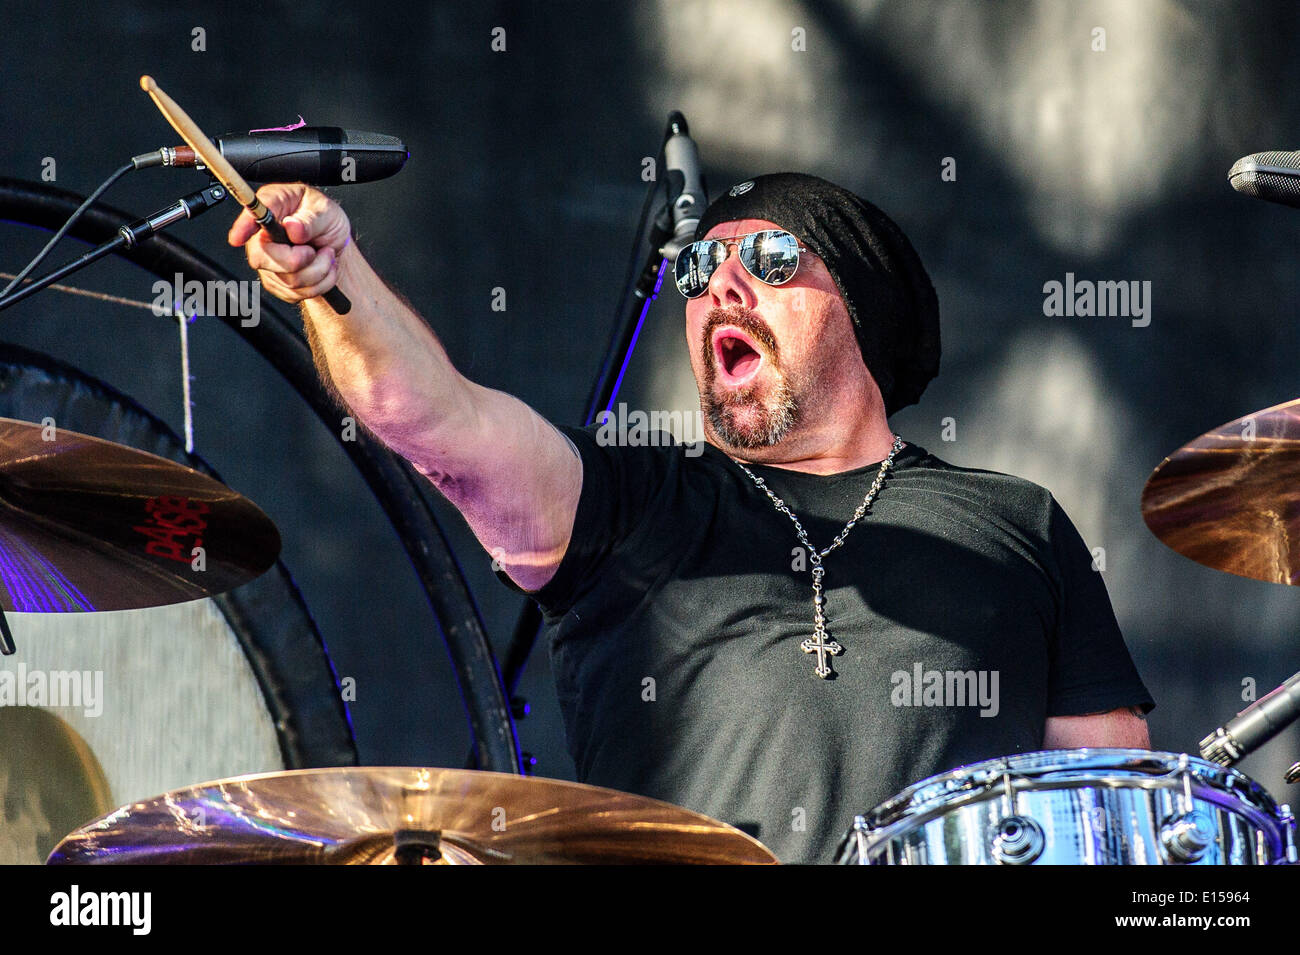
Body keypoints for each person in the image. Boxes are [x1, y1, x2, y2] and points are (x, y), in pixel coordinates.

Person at [229, 171, 1154, 864]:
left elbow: (1115, 820)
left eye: (772, 259)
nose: (722, 286)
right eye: (702, 267)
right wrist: (334, 275)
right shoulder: (634, 501)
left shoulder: (1015, 524)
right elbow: (431, 415)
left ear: (861, 304)